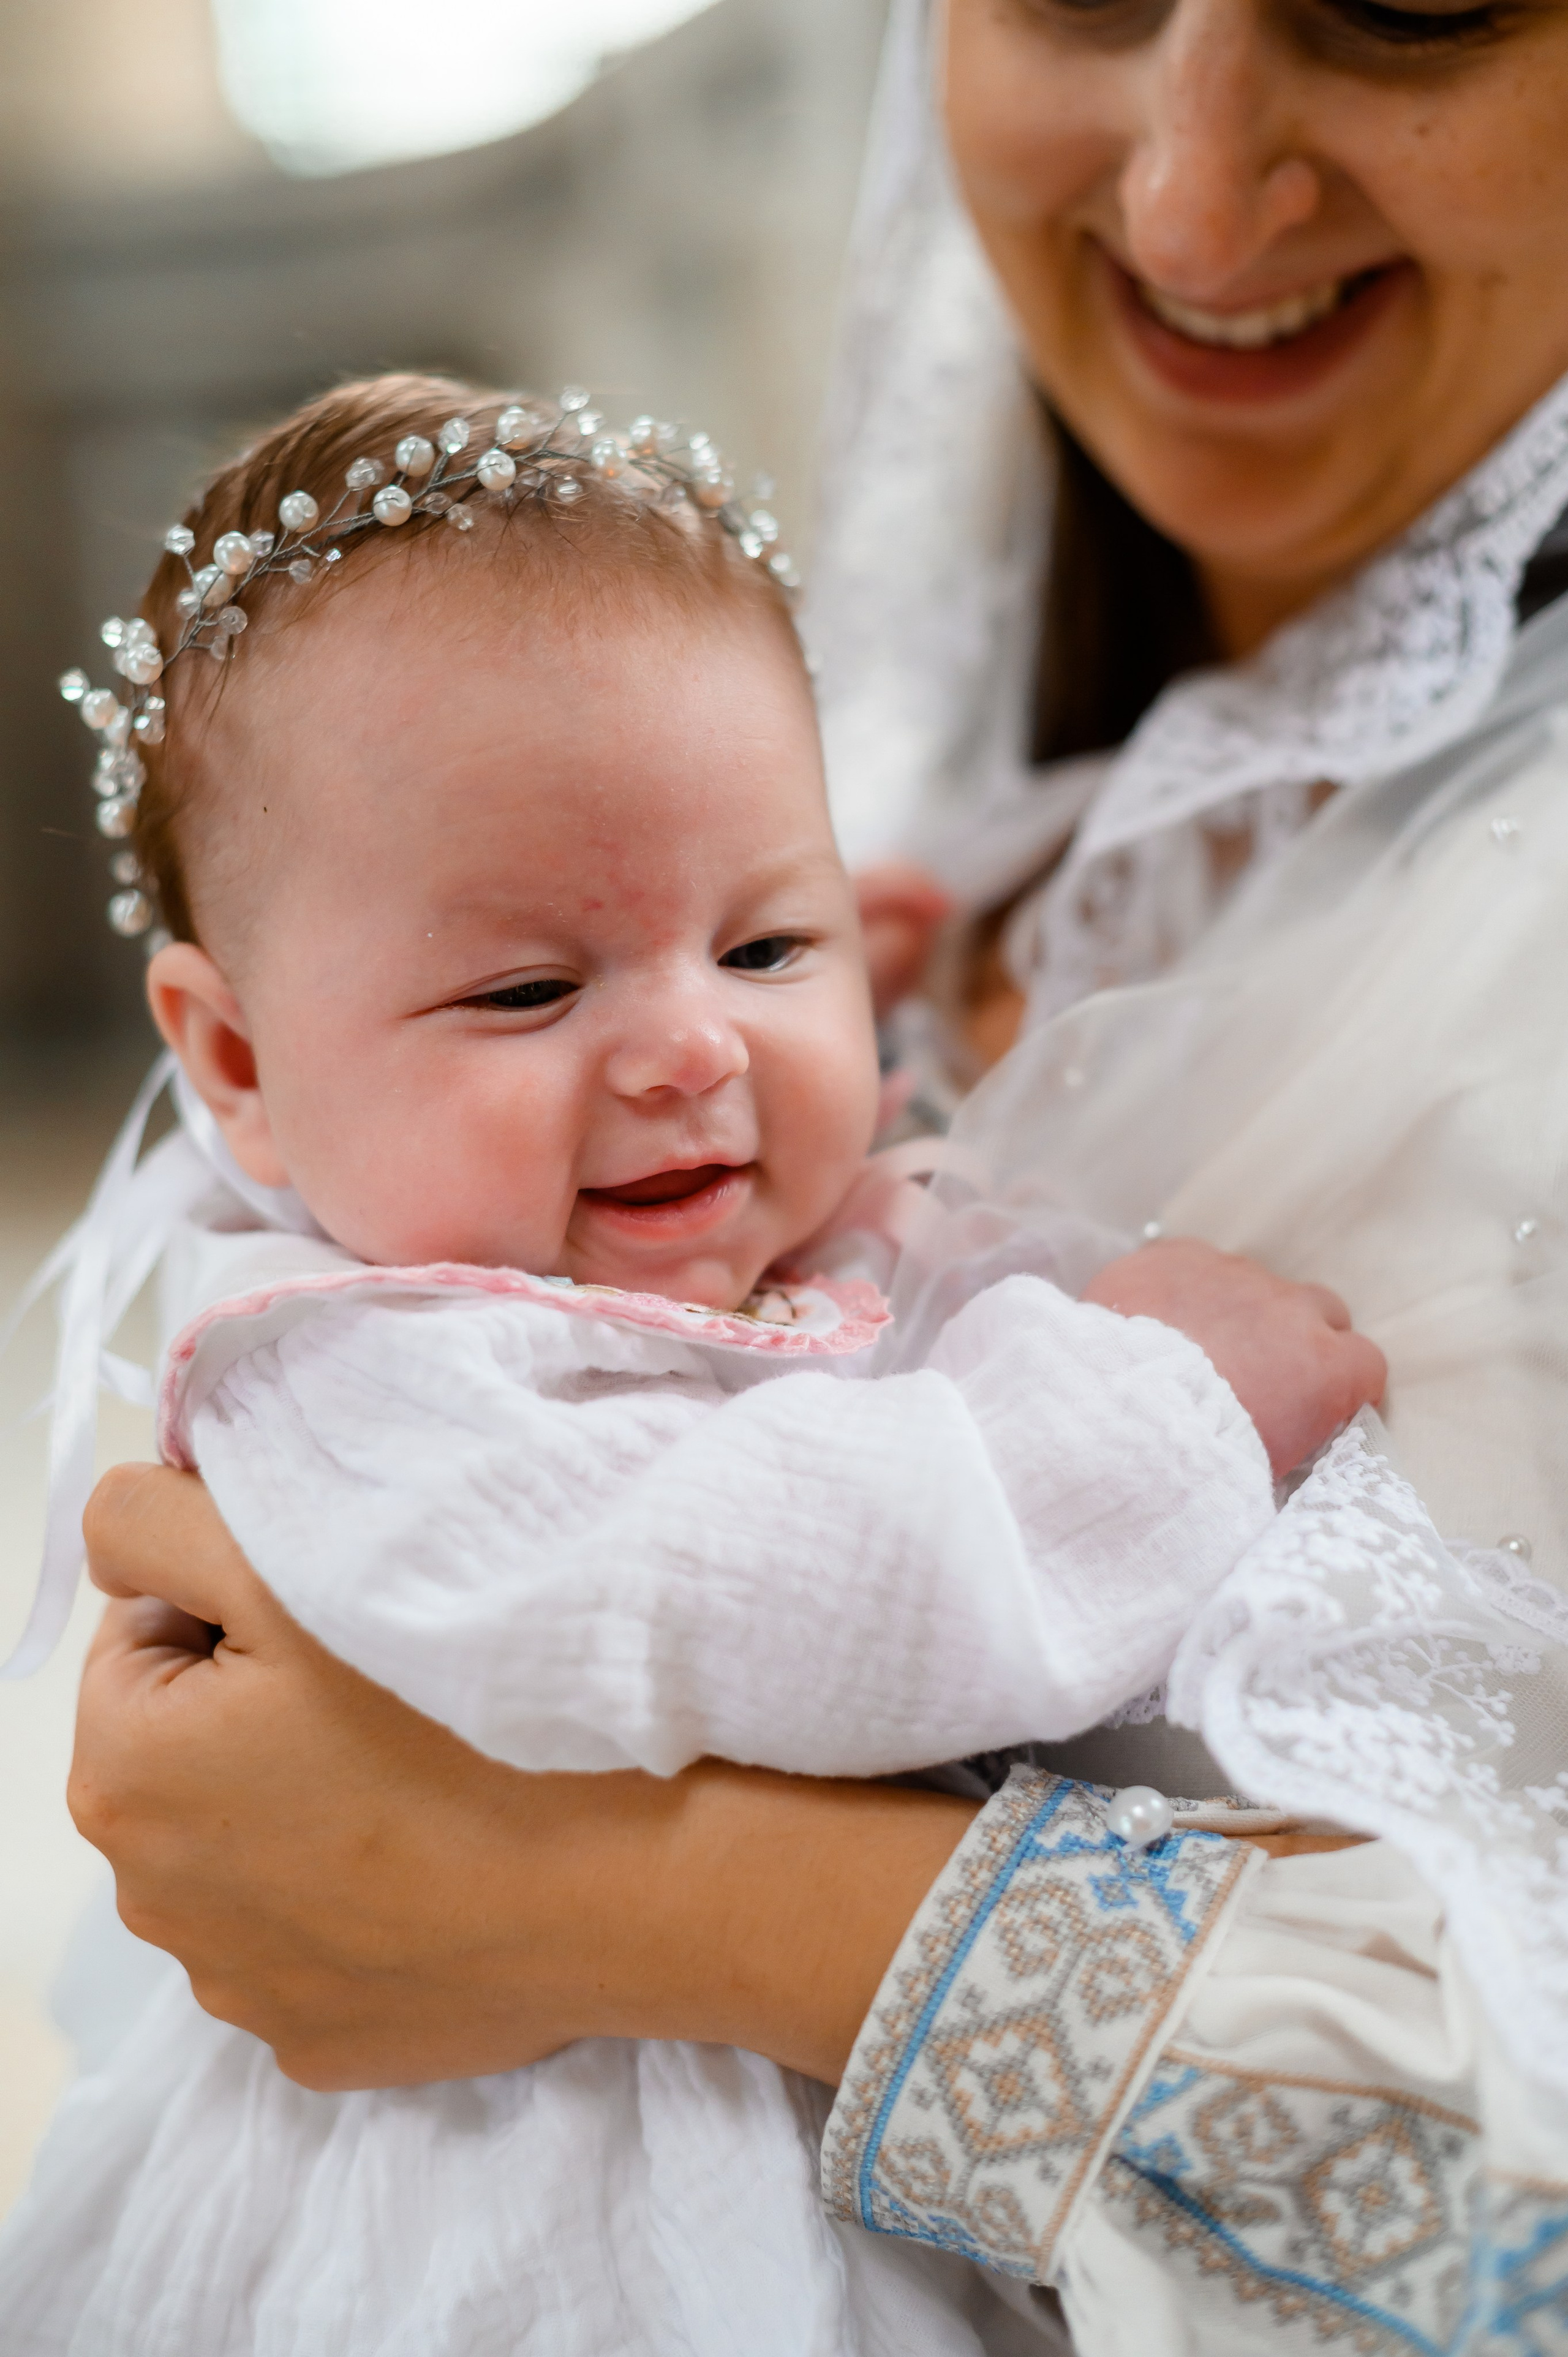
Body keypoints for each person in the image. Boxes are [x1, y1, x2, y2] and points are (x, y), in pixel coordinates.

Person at [64, 0, 1568, 2344]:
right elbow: (798, 1570)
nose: (1192, 200)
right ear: (237, 1064)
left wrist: (594, 1892)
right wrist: (1160, 1409)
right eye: (528, 988)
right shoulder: (376, 1351)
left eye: (766, 946)